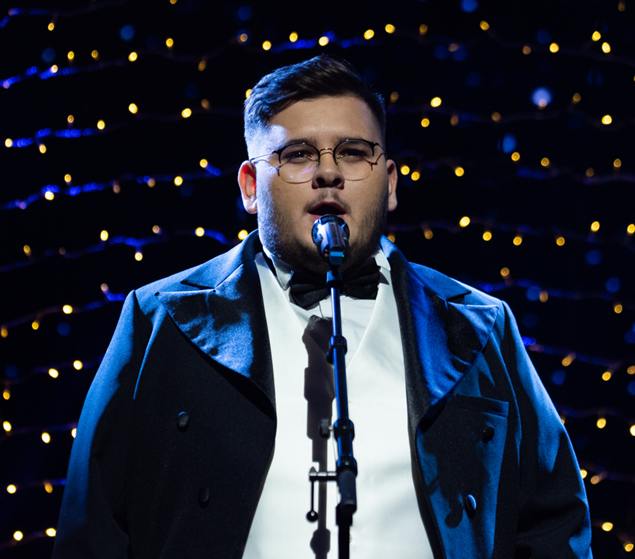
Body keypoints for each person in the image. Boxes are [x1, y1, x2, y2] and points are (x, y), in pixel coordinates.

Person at [52, 55, 593, 559]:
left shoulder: (479, 325)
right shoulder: (159, 320)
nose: (328, 172)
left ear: (389, 183)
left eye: (353, 152)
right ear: (250, 187)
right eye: (298, 155)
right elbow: (93, 530)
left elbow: (554, 521)